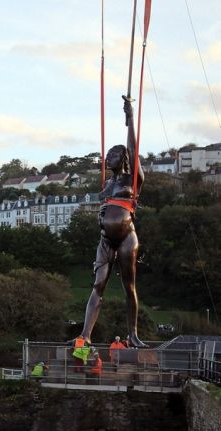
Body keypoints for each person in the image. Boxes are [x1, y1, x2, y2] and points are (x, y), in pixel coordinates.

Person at [76, 96, 147, 348]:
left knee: (129, 286)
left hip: (127, 236)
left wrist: (130, 118)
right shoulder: (107, 184)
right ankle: (85, 335)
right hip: (105, 239)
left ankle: (133, 334)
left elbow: (133, 147)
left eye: (113, 155)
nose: (108, 158)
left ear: (123, 158)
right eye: (107, 155)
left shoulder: (132, 180)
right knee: (98, 284)